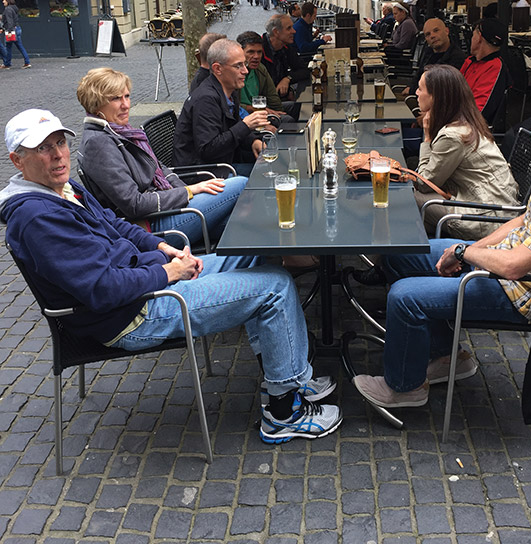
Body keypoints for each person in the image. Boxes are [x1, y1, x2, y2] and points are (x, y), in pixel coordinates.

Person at [0, 109, 341, 443]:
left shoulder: (62, 187)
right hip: (133, 314)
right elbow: (102, 290)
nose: (58, 155)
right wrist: (168, 273)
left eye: (60, 143)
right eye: (44, 148)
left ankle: (285, 375)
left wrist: (163, 248)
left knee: (255, 251)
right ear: (18, 161)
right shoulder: (36, 218)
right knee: (275, 288)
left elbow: (116, 224)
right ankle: (283, 414)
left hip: (147, 280)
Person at [352, 88, 531, 411]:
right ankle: (444, 357)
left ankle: (403, 387)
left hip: (522, 293)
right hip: (503, 264)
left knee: (404, 296)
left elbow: (515, 267)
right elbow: (522, 220)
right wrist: (467, 248)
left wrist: (463, 254)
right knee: (402, 252)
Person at [76, 67, 247, 246]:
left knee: (244, 223)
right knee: (241, 182)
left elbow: (160, 168)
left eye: (127, 96)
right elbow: (134, 204)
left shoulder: (120, 131)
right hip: (154, 226)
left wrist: (188, 194)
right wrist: (189, 192)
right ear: (96, 103)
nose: (126, 105)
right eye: (116, 98)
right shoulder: (99, 143)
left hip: (170, 209)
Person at [412, 65, 518, 239]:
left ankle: (400, 256)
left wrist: (427, 138)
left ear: (436, 97)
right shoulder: (467, 121)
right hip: (495, 207)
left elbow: (424, 182)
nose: (416, 93)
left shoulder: (452, 135)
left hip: (485, 217)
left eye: (420, 88)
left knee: (406, 200)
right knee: (413, 214)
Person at [173, 39, 268, 175]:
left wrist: (253, 141)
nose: (245, 71)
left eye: (245, 64)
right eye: (238, 66)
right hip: (202, 175)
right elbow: (208, 150)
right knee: (259, 178)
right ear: (218, 69)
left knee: (270, 170)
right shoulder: (206, 99)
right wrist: (245, 126)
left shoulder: (230, 91)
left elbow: (232, 127)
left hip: (222, 166)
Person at [236, 31, 298, 122]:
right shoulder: (233, 73)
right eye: (251, 52)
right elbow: (231, 105)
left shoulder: (260, 69)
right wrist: (256, 109)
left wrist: (278, 111)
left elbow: (271, 95)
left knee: (296, 106)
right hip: (246, 115)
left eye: (259, 52)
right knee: (287, 120)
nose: (256, 56)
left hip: (261, 109)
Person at [460, 17, 511, 124]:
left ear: (478, 37)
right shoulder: (470, 61)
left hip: (469, 129)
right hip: (456, 119)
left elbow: (479, 113)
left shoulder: (494, 67)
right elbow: (453, 91)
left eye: (473, 34)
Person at [401, 16, 466, 97]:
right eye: (428, 34)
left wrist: (412, 90)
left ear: (446, 31)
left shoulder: (457, 57)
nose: (432, 36)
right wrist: (410, 86)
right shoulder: (429, 52)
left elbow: (438, 86)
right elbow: (419, 74)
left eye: (436, 31)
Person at [261, 14, 310, 100]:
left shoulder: (285, 47)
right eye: (289, 28)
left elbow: (304, 70)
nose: (294, 31)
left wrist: (287, 79)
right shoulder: (259, 51)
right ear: (276, 32)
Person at [1, 0, 31, 69]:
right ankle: (27, 62)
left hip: (11, 30)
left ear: (7, 1)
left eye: (4, 0)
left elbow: (9, 21)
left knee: (8, 47)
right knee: (20, 46)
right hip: (17, 28)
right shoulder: (14, 8)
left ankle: (7, 64)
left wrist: (10, 31)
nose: (3, 2)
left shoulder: (8, 9)